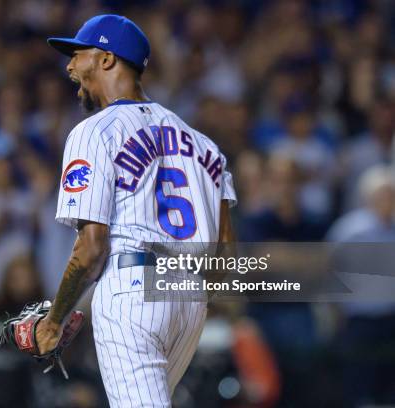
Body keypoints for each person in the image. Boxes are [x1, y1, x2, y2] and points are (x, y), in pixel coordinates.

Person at [35, 15, 237, 407]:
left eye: (78, 54)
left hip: (131, 288)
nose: (70, 66)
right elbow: (224, 260)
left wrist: (55, 319)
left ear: (107, 59)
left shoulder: (94, 131)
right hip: (190, 299)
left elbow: (91, 249)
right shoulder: (207, 146)